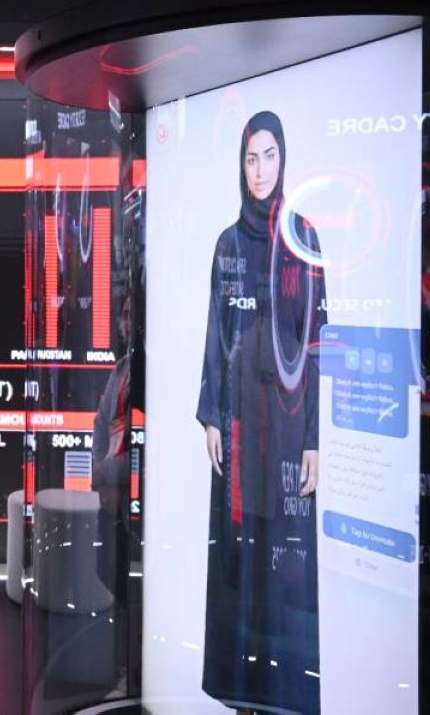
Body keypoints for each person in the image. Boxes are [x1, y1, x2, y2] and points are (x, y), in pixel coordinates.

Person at [196, 111, 324, 713]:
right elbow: (215, 335)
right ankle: (240, 690)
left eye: (270, 155)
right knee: (238, 556)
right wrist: (211, 416)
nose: (260, 170)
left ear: (284, 158)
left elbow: (317, 343)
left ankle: (286, 691)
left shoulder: (303, 238)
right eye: (251, 158)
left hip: (289, 429)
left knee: (286, 560)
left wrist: (313, 439)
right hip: (240, 424)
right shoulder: (228, 243)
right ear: (240, 164)